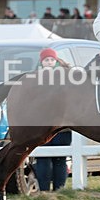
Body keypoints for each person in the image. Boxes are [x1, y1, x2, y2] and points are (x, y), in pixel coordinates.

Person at [34, 48, 71, 191]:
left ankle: (59, 190)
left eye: (51, 60)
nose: (49, 63)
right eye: (46, 60)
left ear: (56, 61)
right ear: (41, 62)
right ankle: (43, 190)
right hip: (41, 125)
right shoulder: (36, 77)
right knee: (42, 157)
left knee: (60, 158)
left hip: (62, 125)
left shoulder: (66, 76)